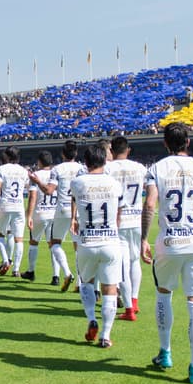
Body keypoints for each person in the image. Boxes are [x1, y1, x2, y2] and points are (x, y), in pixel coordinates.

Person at [140, 122, 193, 384]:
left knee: (164, 293)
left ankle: (165, 352)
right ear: (188, 142)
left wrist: (144, 238)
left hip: (170, 242)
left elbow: (150, 204)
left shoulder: (157, 169)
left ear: (165, 143)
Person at [69, 144, 125, 347]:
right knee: (110, 288)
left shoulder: (77, 182)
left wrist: (74, 219)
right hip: (110, 241)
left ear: (86, 162)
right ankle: (105, 335)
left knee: (86, 282)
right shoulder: (115, 183)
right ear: (104, 161)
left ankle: (92, 318)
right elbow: (119, 214)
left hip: (87, 241)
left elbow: (74, 200)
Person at [103, 135, 148, 321]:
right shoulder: (140, 168)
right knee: (134, 261)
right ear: (128, 150)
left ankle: (129, 308)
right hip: (137, 219)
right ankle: (134, 301)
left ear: (111, 151)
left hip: (118, 220)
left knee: (122, 266)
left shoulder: (107, 169)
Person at [39, 139, 85, 291]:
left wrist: (37, 181)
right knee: (79, 246)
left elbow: (49, 191)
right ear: (76, 153)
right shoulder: (82, 168)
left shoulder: (57, 169)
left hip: (63, 209)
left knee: (55, 243)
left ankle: (67, 272)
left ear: (62, 154)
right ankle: (80, 282)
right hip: (79, 210)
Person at [0, 146, 30, 276]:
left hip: (5, 205)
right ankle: (16, 269)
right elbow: (28, 187)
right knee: (19, 239)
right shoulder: (24, 171)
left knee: (0, 234)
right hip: (19, 205)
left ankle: (5, 260)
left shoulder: (1, 169)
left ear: (7, 156)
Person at [24, 150, 58, 283]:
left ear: (39, 162)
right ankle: (56, 276)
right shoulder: (56, 174)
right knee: (53, 245)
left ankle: (31, 271)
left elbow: (33, 196)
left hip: (40, 213)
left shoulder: (35, 175)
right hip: (54, 213)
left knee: (34, 242)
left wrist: (29, 216)